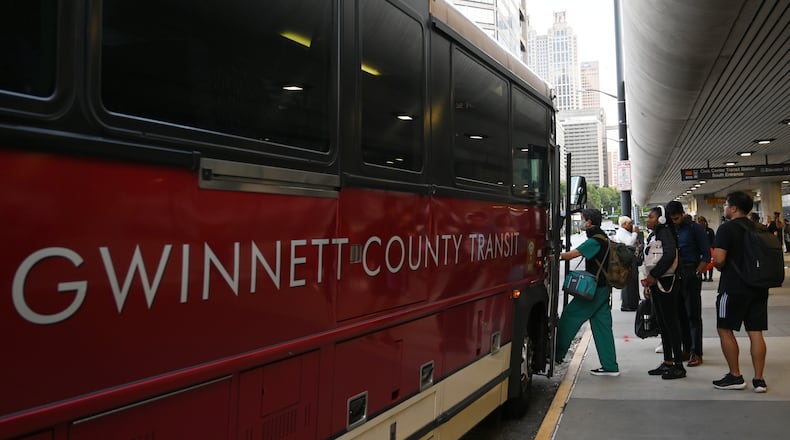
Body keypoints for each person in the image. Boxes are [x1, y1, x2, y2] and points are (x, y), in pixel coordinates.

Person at [712, 191, 768, 392]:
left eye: (726, 205)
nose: (725, 208)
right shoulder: (758, 227)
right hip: (759, 286)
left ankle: (735, 375)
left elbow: (719, 259)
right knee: (755, 332)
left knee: (724, 329)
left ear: (734, 208)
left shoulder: (726, 229)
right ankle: (759, 379)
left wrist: (719, 266)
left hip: (733, 287)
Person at [556, 208, 619, 376]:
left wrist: (552, 256)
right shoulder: (604, 237)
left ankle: (556, 354)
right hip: (604, 289)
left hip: (594, 291)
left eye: (583, 219)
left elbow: (570, 255)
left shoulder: (594, 241)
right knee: (602, 328)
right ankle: (610, 366)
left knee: (569, 316)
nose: (582, 222)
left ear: (589, 222)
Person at [642, 206, 686, 379]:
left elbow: (668, 255)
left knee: (671, 324)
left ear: (661, 219)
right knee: (664, 323)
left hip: (666, 283)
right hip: (659, 283)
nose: (648, 219)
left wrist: (653, 275)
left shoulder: (665, 232)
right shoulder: (658, 234)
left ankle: (678, 365)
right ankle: (668, 362)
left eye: (651, 216)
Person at [666, 201, 710, 367]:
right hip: (673, 275)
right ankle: (685, 348)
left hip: (690, 272)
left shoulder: (695, 228)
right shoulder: (669, 229)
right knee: (678, 314)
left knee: (693, 314)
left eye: (677, 218)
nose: (675, 222)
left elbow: (706, 255)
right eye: (671, 219)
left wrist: (697, 273)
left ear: (682, 214)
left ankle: (696, 352)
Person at [613, 216, 641, 311]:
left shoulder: (623, 232)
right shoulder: (622, 232)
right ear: (624, 224)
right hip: (627, 259)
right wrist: (635, 233)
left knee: (632, 281)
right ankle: (629, 304)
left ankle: (632, 302)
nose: (631, 225)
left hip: (629, 259)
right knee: (629, 281)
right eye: (629, 223)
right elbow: (630, 242)